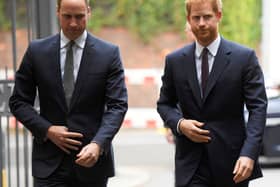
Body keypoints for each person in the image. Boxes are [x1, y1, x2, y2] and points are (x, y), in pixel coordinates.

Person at [9, 0, 128, 186]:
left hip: (92, 163)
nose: (73, 23)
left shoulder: (109, 54)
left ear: (89, 12)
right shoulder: (36, 51)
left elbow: (117, 106)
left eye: (79, 16)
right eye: (67, 16)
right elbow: (18, 102)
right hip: (48, 163)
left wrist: (98, 144)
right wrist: (47, 130)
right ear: (58, 12)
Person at [157, 0, 267, 186]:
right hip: (191, 165)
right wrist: (180, 124)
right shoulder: (175, 61)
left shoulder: (244, 58)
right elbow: (164, 103)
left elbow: (258, 107)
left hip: (232, 164)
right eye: (196, 17)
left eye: (207, 16)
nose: (201, 23)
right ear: (188, 19)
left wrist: (249, 154)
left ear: (219, 16)